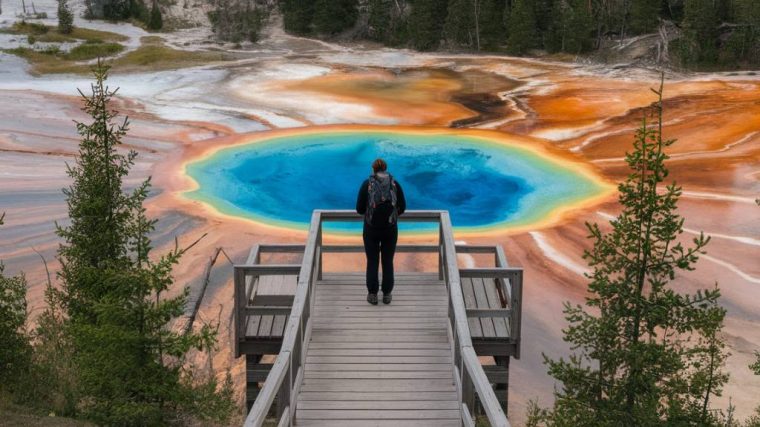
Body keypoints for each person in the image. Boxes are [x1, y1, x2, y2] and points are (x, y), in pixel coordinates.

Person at [356, 158, 406, 305]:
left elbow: (359, 209)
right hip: (390, 229)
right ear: (385, 168)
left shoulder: (367, 184)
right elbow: (402, 207)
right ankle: (387, 294)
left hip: (371, 229)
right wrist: (390, 215)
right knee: (387, 261)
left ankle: (372, 294)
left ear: (373, 170)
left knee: (372, 261)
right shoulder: (395, 184)